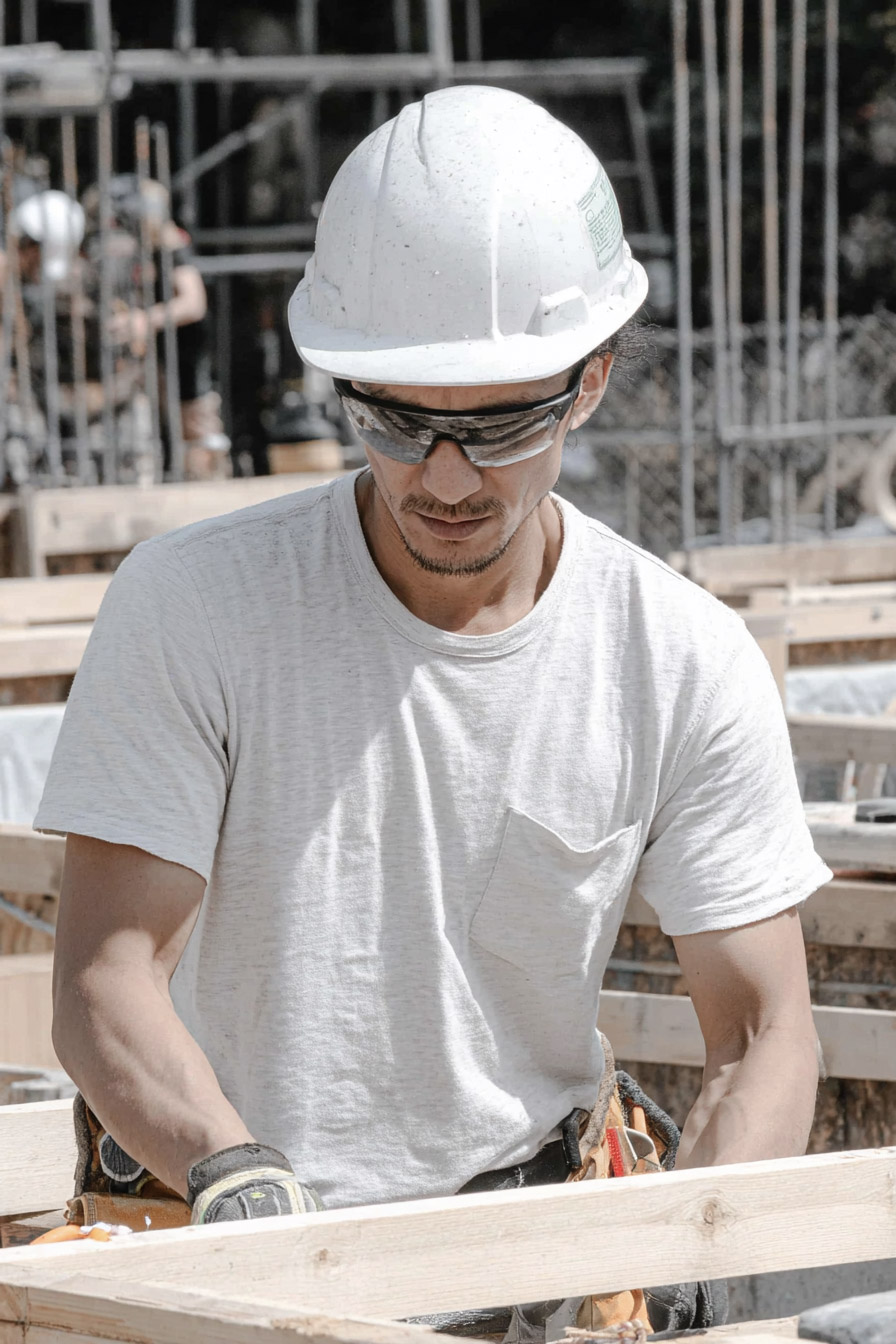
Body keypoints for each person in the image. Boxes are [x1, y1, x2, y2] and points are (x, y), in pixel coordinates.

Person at [39, 87, 828, 1334]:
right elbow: (104, 977)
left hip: (533, 1256)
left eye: (496, 422)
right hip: (228, 1244)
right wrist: (234, 1180)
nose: (443, 476)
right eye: (394, 421)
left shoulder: (674, 657)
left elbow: (763, 1030)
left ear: (589, 383)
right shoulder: (198, 608)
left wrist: (687, 1247)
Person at [82, 174, 230, 480]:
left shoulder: (171, 245)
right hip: (155, 357)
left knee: (197, 433)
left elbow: (193, 302)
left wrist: (143, 320)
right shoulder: (139, 250)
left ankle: (213, 490)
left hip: (186, 355)